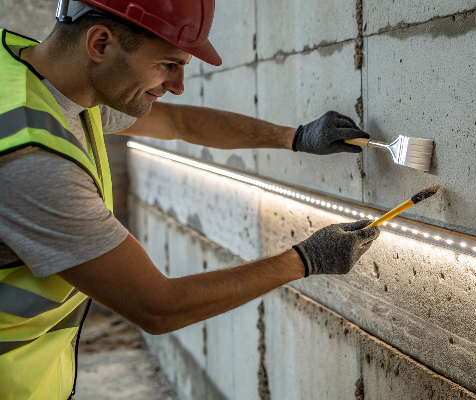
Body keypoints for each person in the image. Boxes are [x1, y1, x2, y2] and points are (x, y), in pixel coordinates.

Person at [0, 0, 380, 398]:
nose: (178, 84)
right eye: (167, 64)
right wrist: (307, 259)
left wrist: (296, 137)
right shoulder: (32, 161)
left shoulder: (46, 84)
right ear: (99, 43)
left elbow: (178, 122)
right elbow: (157, 306)